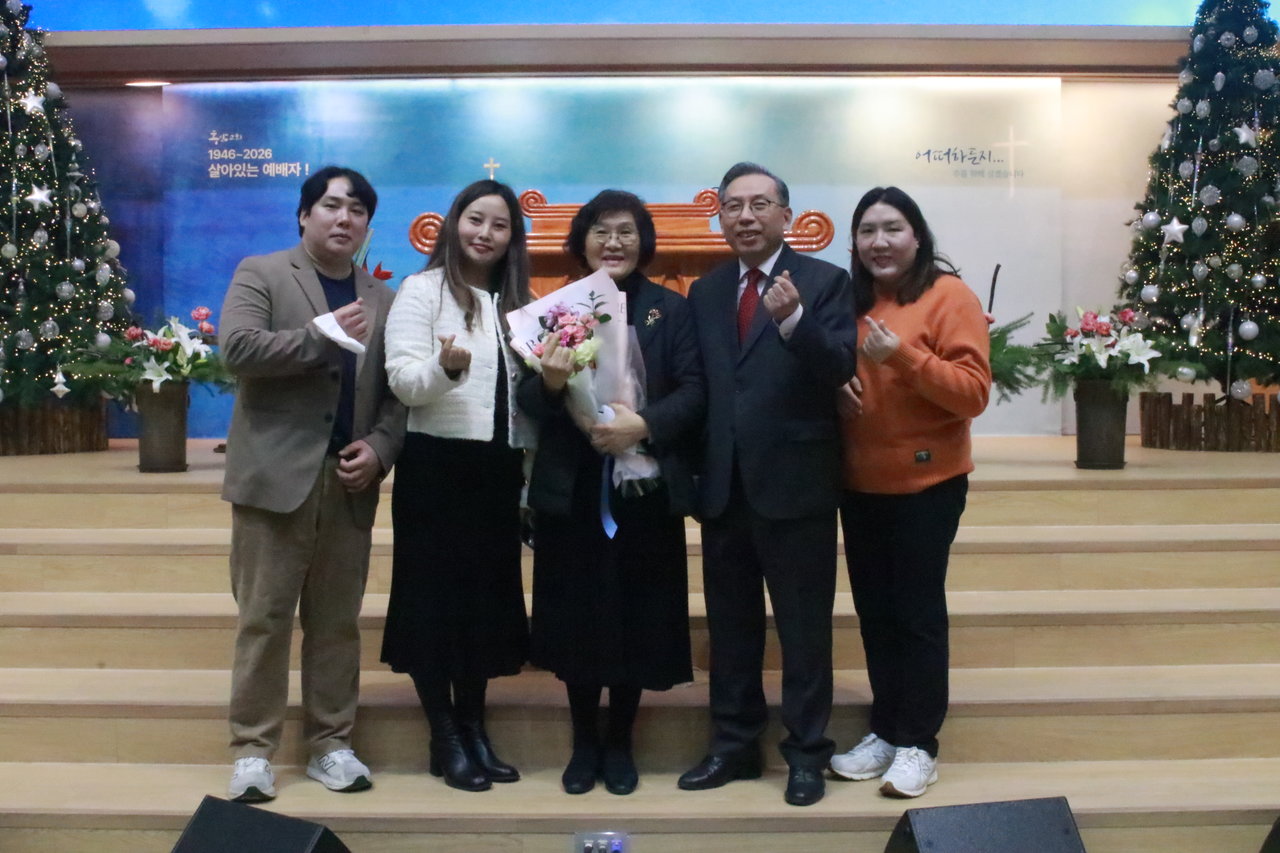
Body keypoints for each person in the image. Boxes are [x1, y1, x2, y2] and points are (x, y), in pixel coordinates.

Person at [220, 165, 406, 803]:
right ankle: (252, 750)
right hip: (275, 481)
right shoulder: (263, 273)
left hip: (348, 482)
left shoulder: (384, 299)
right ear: (304, 215)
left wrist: (381, 449)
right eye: (330, 205)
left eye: (357, 209)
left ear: (367, 225)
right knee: (264, 620)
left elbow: (397, 396)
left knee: (336, 624)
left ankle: (331, 743)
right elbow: (237, 350)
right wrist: (320, 338)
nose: (343, 217)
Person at [679, 162, 857, 807]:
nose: (746, 216)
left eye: (759, 204)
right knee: (731, 629)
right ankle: (733, 746)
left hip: (796, 483)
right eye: (733, 206)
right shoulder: (705, 291)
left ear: (787, 215)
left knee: (804, 630)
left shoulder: (826, 281)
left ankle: (807, 753)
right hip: (725, 487)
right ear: (720, 218)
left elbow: (840, 365)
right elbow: (702, 387)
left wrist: (795, 323)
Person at [517, 190, 705, 796]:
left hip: (644, 488)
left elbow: (695, 390)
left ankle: (620, 740)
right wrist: (551, 384)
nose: (614, 242)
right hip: (573, 488)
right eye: (601, 231)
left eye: (626, 231)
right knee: (577, 615)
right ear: (582, 242)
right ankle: (583, 742)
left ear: (643, 242)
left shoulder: (669, 311)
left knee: (637, 615)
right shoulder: (556, 309)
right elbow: (526, 401)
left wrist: (642, 425)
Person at [829, 186, 991, 799]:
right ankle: (887, 729)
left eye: (892, 228)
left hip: (928, 484)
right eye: (867, 231)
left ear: (917, 235)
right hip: (858, 483)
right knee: (876, 615)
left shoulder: (949, 296)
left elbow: (972, 393)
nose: (879, 242)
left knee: (916, 615)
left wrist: (903, 356)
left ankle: (920, 743)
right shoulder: (849, 299)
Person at [381, 179, 534, 792]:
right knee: (433, 604)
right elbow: (402, 381)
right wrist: (444, 370)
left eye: (499, 225)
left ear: (512, 238)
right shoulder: (421, 290)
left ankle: (474, 727)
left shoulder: (520, 304)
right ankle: (444, 735)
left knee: (483, 606)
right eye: (475, 219)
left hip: (497, 472)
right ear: (453, 223)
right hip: (437, 468)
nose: (485, 233)